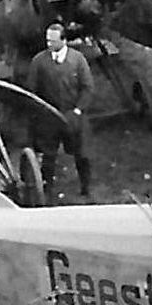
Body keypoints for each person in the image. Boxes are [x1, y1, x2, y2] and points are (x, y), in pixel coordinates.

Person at [25, 23, 95, 199]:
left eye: (53, 41)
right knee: (48, 156)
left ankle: (86, 188)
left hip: (73, 116)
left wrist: (78, 110)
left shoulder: (78, 60)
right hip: (49, 118)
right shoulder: (39, 61)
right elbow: (31, 90)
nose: (48, 44)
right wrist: (41, 112)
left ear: (64, 40)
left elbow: (88, 88)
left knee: (82, 154)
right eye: (47, 40)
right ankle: (46, 191)